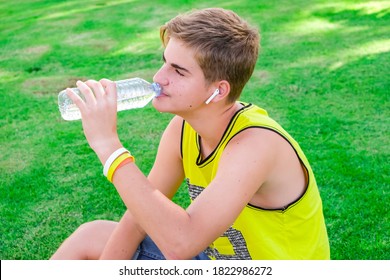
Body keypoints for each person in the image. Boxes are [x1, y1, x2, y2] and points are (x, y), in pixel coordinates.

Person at [51, 8, 330, 260]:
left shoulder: (256, 145)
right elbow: (140, 217)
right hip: (215, 261)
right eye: (164, 62)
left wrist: (108, 146)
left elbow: (180, 243)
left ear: (218, 91)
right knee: (91, 236)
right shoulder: (183, 129)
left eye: (178, 71)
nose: (159, 78)